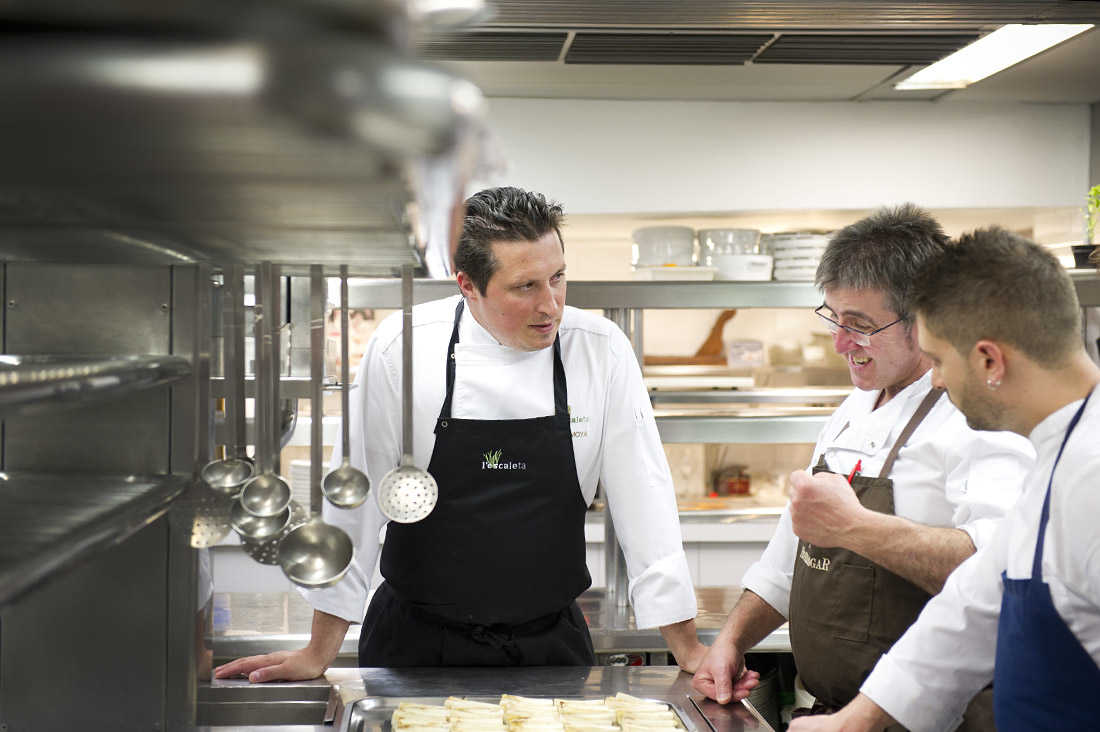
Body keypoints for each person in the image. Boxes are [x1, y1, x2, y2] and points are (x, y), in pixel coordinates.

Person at [215, 186, 706, 679]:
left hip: (549, 646)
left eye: (557, 278)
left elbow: (646, 504)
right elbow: (354, 504)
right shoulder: (402, 348)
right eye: (525, 286)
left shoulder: (600, 350)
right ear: (468, 285)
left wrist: (687, 649)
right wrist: (318, 650)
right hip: (414, 645)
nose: (551, 306)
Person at [692, 206, 1035, 724]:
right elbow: (788, 559)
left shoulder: (979, 417)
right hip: (831, 714)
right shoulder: (852, 409)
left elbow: (999, 574)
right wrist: (732, 640)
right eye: (833, 318)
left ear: (924, 318)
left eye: (860, 326)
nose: (839, 343)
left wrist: (856, 527)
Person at [787, 230, 1100, 732]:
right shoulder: (1058, 457)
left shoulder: (1091, 477)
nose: (933, 380)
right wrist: (855, 722)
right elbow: (971, 608)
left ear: (989, 361)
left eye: (937, 361)